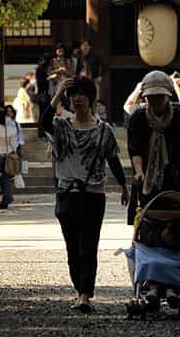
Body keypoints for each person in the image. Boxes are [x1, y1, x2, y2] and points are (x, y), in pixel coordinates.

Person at [41, 75, 128, 314]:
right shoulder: (61, 126)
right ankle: (79, 288)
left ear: (91, 99)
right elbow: (43, 123)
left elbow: (112, 159)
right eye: (73, 94)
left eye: (82, 94)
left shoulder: (104, 130)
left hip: (92, 194)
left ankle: (85, 295)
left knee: (88, 246)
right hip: (67, 193)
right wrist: (58, 94)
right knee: (72, 248)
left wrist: (123, 186)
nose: (77, 99)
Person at [127, 70, 180, 213]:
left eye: (159, 96)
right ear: (145, 98)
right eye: (151, 97)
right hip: (147, 176)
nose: (155, 101)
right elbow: (135, 149)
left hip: (174, 174)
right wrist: (138, 171)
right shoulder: (138, 118)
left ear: (168, 96)